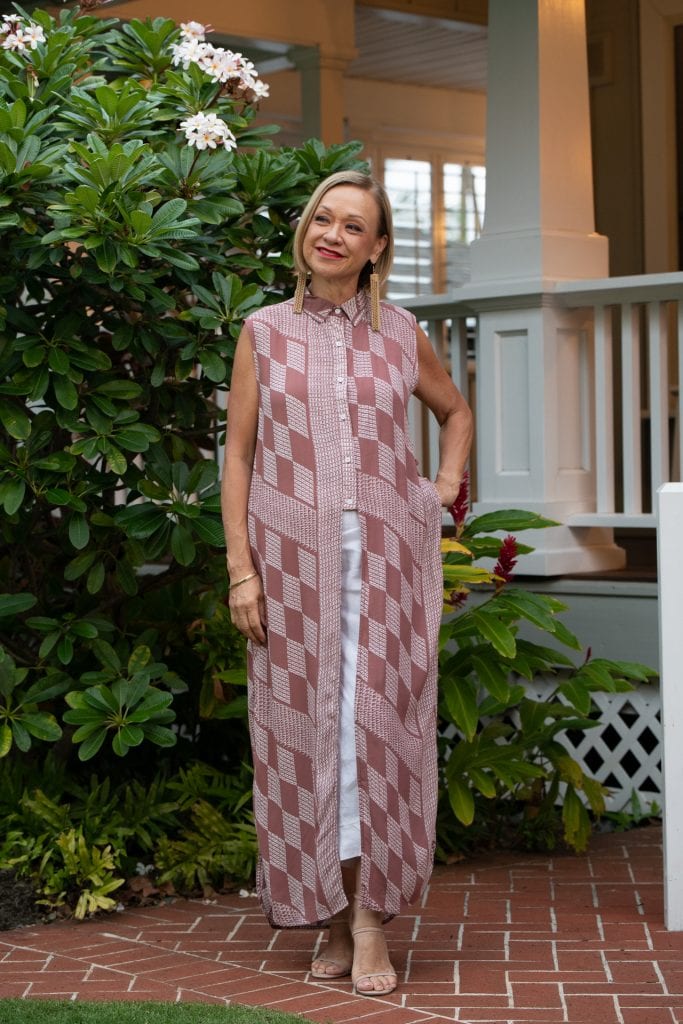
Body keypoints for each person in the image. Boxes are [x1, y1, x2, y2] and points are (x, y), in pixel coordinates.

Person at [221, 170, 472, 997]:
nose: (330, 234)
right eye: (321, 219)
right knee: (304, 734)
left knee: (372, 733)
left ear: (375, 249)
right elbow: (240, 457)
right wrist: (240, 571)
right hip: (290, 571)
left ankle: (368, 921)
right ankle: (325, 909)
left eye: (351, 226)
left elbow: (454, 412)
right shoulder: (263, 331)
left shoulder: (401, 333)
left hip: (387, 568)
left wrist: (440, 492)